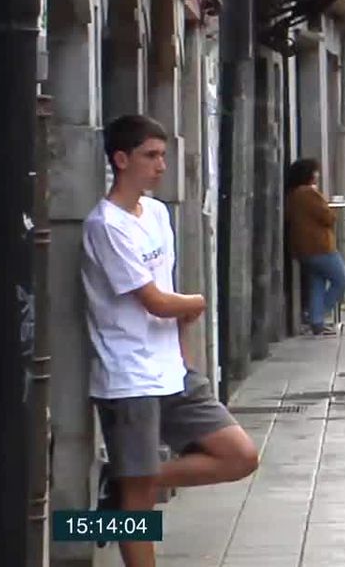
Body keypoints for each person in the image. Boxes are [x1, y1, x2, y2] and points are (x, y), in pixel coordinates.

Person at [82, 114, 258, 567]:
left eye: (164, 155)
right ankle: (121, 494)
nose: (161, 165)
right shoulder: (106, 226)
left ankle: (121, 482)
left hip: (172, 372)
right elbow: (157, 300)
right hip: (128, 376)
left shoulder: (158, 213)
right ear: (121, 160)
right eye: (151, 156)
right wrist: (195, 303)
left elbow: (168, 288)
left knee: (240, 456)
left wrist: (185, 352)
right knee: (137, 503)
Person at [286, 158, 345, 336]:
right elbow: (328, 216)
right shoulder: (308, 193)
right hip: (320, 247)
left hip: (303, 248)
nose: (318, 175)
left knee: (317, 282)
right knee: (342, 279)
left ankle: (317, 323)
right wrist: (328, 205)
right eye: (315, 172)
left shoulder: (293, 194)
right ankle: (316, 313)